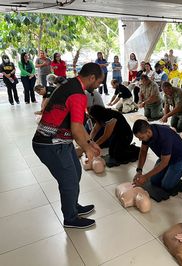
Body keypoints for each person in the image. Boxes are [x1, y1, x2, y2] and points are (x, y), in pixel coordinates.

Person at [32, 62, 104, 229]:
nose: (99, 85)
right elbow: (77, 128)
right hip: (50, 144)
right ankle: (70, 218)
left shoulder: (69, 84)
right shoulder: (78, 94)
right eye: (99, 82)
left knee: (76, 172)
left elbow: (76, 125)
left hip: (61, 141)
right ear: (91, 78)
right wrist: (88, 150)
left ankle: (74, 206)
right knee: (69, 181)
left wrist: (91, 143)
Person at [132, 119, 182, 191]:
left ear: (148, 132)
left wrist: (145, 177)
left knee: (166, 185)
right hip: (165, 157)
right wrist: (139, 171)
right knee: (154, 181)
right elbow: (143, 151)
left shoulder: (164, 136)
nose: (140, 140)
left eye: (141, 138)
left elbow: (164, 163)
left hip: (178, 159)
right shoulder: (147, 134)